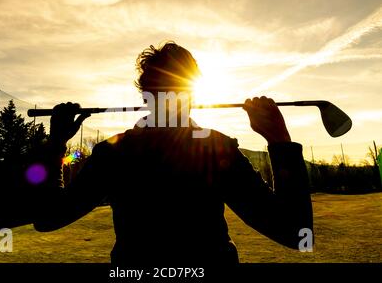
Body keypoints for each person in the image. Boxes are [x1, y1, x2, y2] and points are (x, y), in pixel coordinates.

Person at [33, 41, 313, 265]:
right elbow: (296, 232)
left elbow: (48, 217)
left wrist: (56, 143)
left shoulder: (114, 153)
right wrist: (279, 141)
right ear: (192, 94)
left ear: (145, 96)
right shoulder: (214, 149)